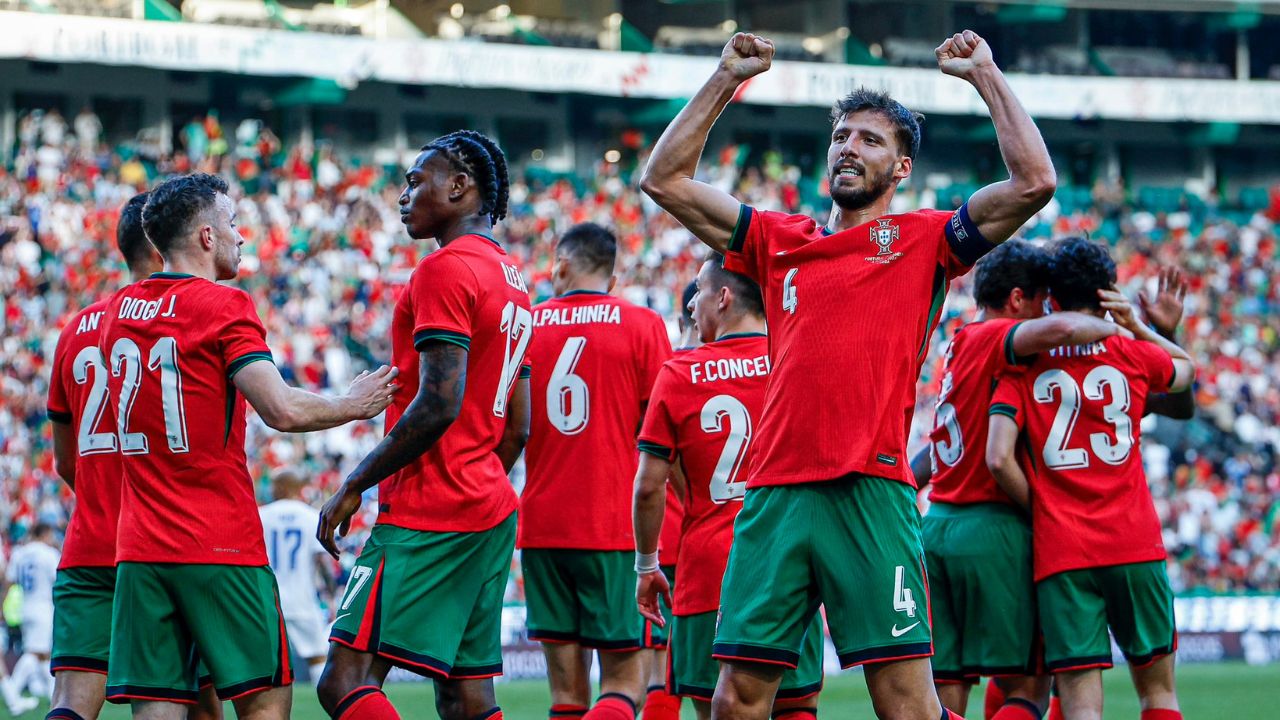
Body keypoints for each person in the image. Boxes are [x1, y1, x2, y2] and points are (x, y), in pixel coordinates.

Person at [640, 28, 1055, 720]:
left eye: (869, 140)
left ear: (900, 170)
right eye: (841, 136)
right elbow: (663, 180)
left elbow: (1034, 182)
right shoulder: (779, 241)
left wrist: (985, 74)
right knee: (737, 701)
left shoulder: (927, 240)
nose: (848, 148)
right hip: (773, 496)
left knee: (907, 706)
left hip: (872, 489)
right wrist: (725, 78)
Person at [97, 173, 398, 719]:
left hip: (140, 546)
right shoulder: (223, 305)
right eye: (233, 224)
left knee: (158, 708)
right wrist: (354, 403)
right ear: (208, 237)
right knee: (265, 700)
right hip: (217, 539)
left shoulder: (116, 313)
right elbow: (279, 408)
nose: (242, 237)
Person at [915, 249, 1194, 720]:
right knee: (1032, 682)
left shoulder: (983, 349)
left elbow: (974, 444)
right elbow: (1182, 395)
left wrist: (903, 486)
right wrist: (1135, 328)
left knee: (953, 689)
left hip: (955, 523)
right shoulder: (1042, 350)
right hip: (1046, 532)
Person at [315, 130, 531, 720]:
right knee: (466, 695)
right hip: (488, 507)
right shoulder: (514, 279)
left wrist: (354, 482)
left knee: (343, 682)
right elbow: (519, 425)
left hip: (428, 508)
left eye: (417, 181)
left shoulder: (444, 269)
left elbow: (439, 404)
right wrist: (478, 475)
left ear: (460, 187)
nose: (404, 195)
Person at [45, 191, 225, 720]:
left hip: (90, 544)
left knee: (72, 704)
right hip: (169, 544)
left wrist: (104, 500)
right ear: (162, 241)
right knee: (188, 701)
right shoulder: (184, 318)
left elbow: (64, 460)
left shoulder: (75, 329)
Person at [635, 254, 822, 720]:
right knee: (797, 709)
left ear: (723, 297)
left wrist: (645, 563)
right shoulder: (801, 360)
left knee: (716, 710)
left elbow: (647, 487)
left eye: (698, 291)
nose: (692, 304)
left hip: (708, 570)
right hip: (791, 566)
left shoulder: (677, 373)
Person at [518, 222, 671, 720]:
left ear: (561, 265)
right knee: (626, 682)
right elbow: (664, 437)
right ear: (611, 273)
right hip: (614, 527)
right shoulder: (643, 324)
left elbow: (509, 427)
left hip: (541, 526)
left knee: (565, 695)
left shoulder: (527, 326)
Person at [642, 280, 701, 720]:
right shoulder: (748, 364)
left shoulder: (665, 372)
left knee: (663, 670)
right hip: (710, 535)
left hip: (662, 539)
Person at [259, 469, 335, 685]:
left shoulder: (261, 515)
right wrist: (331, 596)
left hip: (268, 599)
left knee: (267, 661)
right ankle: (322, 708)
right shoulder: (311, 517)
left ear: (282, 487)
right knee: (317, 657)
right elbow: (324, 564)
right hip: (302, 600)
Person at [3, 524, 60, 707]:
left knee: (43, 653)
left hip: (25, 606)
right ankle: (12, 692)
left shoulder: (20, 553)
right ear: (45, 533)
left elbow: (9, 581)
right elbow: (59, 579)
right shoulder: (48, 553)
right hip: (43, 606)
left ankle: (54, 694)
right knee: (35, 653)